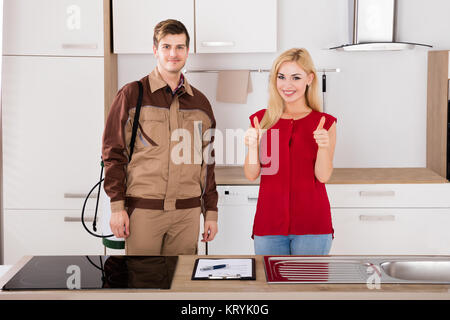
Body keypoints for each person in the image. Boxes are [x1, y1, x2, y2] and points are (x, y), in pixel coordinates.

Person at [102, 19, 218, 255]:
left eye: (180, 47)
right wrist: (116, 207)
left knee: (182, 287)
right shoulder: (132, 94)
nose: (173, 53)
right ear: (155, 50)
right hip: (144, 212)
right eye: (166, 46)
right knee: (143, 286)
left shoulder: (201, 103)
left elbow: (207, 164)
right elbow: (113, 153)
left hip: (187, 214)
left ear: (187, 51)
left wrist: (211, 212)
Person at [244, 48, 337, 255]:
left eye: (296, 77)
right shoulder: (261, 120)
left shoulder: (324, 123)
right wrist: (251, 147)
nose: (287, 85)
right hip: (269, 224)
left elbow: (323, 176)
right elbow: (251, 174)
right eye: (281, 77)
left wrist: (323, 147)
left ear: (309, 79)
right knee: (270, 287)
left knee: (307, 287)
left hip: (312, 225)